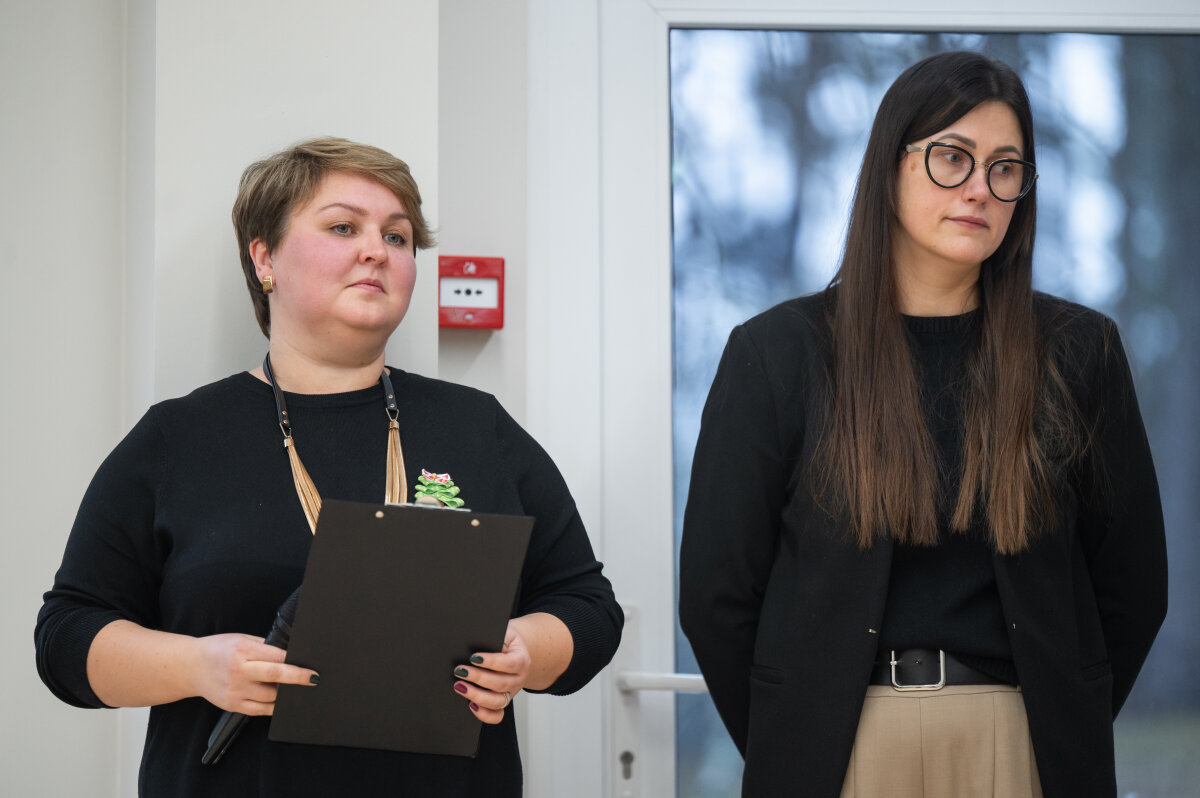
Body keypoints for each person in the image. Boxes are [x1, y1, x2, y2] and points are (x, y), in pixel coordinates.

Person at [36, 137, 623, 797]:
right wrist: (197, 666)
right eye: (344, 227)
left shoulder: (477, 428)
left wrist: (525, 652)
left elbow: (589, 608)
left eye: (397, 236)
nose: (376, 250)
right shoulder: (178, 437)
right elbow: (66, 638)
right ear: (265, 259)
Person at [678, 51, 1167, 798]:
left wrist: (1060, 726)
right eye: (952, 157)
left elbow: (1134, 587)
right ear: (890, 168)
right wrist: (797, 739)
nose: (979, 189)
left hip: (1022, 744)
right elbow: (717, 594)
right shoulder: (777, 353)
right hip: (838, 747)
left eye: (1005, 169)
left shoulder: (1078, 352)